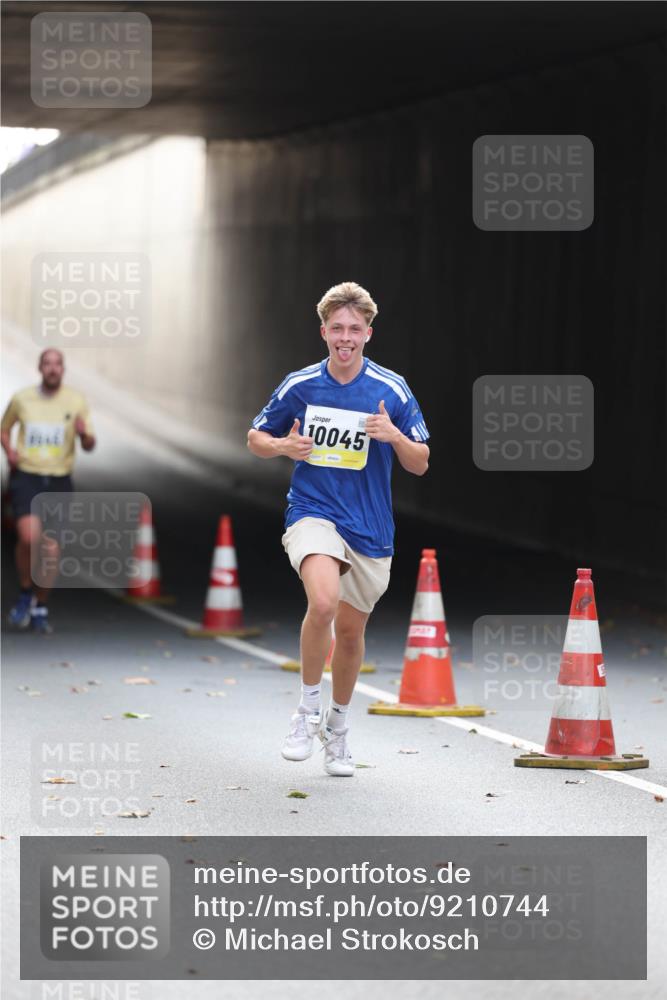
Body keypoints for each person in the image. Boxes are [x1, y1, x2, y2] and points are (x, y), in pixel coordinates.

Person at [247, 282, 430, 775]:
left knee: (350, 634)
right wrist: (284, 447)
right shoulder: (301, 385)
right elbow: (256, 436)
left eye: (354, 329)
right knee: (323, 603)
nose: (345, 337)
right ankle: (306, 711)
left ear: (368, 333)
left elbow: (421, 462)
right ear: (323, 331)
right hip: (313, 511)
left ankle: (339, 728)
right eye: (337, 328)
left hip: (370, 527)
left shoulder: (390, 389)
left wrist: (392, 435)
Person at [1, 348, 96, 634]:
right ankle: (25, 591)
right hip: (28, 475)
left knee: (51, 548)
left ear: (63, 370)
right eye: (47, 364)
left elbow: (90, 444)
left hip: (58, 480)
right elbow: (4, 429)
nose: (53, 369)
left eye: (57, 365)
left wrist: (83, 434)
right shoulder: (22, 399)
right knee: (29, 538)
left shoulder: (75, 401)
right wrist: (10, 452)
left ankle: (40, 605)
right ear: (40, 368)